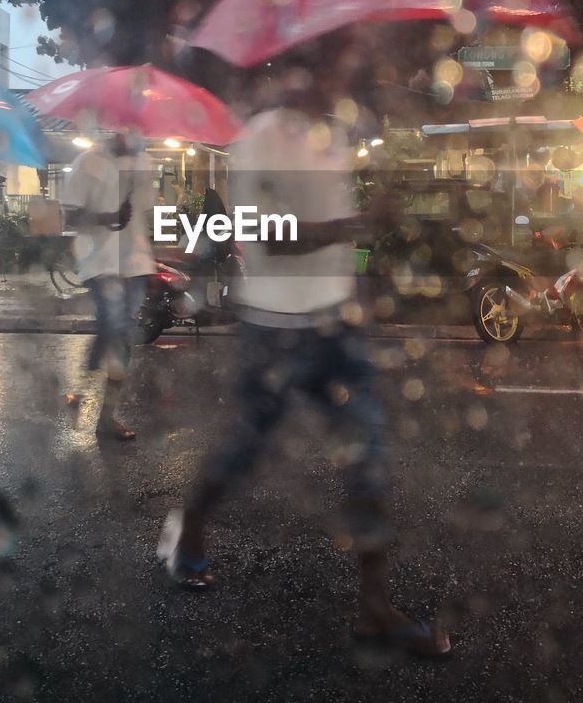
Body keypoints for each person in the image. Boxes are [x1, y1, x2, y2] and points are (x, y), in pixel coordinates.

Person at [157, 62, 452, 660]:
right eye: (325, 59)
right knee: (243, 449)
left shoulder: (336, 136)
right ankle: (188, 528)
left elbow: (338, 237)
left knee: (368, 455)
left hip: (337, 322)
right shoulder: (261, 138)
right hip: (274, 327)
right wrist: (355, 224)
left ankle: (374, 610)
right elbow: (267, 234)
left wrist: (376, 219)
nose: (334, 76)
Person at [62, 131, 155, 441]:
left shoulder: (145, 163)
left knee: (123, 337)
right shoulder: (88, 161)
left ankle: (107, 414)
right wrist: (108, 217)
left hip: (137, 263)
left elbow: (145, 215)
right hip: (100, 263)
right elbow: (70, 215)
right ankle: (80, 389)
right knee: (111, 324)